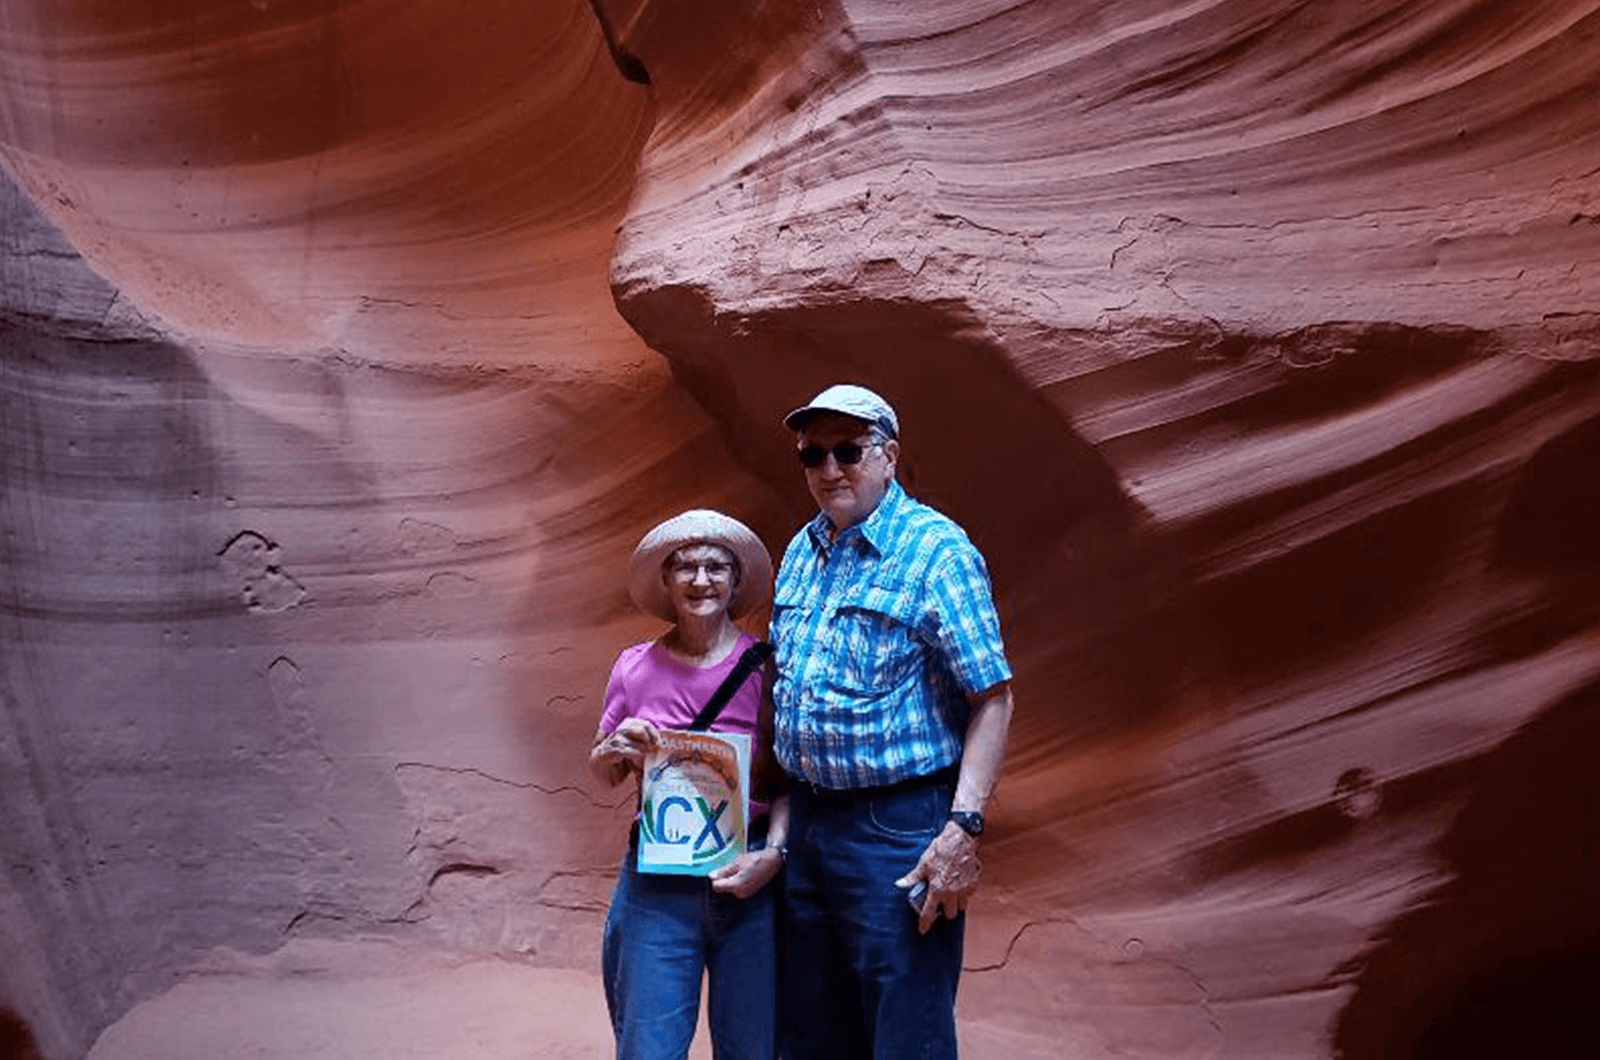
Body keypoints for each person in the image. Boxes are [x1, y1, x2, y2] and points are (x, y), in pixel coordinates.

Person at [771, 384, 1015, 1060]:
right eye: (812, 455)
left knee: (905, 1026)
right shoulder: (803, 550)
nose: (829, 470)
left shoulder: (936, 551)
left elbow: (992, 697)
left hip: (898, 828)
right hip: (812, 826)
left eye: (847, 451)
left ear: (889, 455)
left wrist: (963, 828)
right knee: (812, 1024)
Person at [590, 510, 789, 1060]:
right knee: (648, 1047)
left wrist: (774, 854)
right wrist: (613, 751)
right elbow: (604, 770)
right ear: (666, 579)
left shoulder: (765, 669)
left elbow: (790, 778)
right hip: (658, 884)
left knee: (753, 1048)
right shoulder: (635, 668)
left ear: (735, 581)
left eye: (716, 567)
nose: (701, 581)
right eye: (686, 567)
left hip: (746, 877)